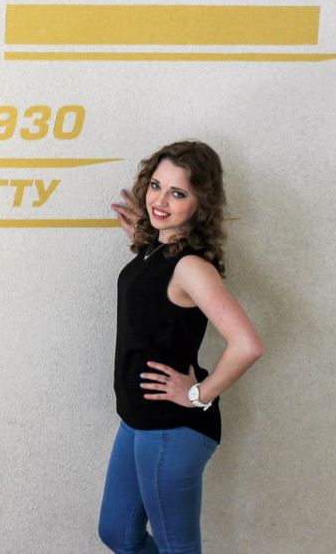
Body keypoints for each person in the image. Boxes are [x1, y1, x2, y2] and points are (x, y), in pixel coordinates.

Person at [98, 140, 263, 554]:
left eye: (178, 193)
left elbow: (247, 345)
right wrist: (146, 236)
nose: (160, 201)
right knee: (118, 533)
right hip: (138, 420)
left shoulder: (191, 267)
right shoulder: (156, 252)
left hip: (171, 429)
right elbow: (154, 305)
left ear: (200, 203)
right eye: (156, 186)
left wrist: (197, 395)